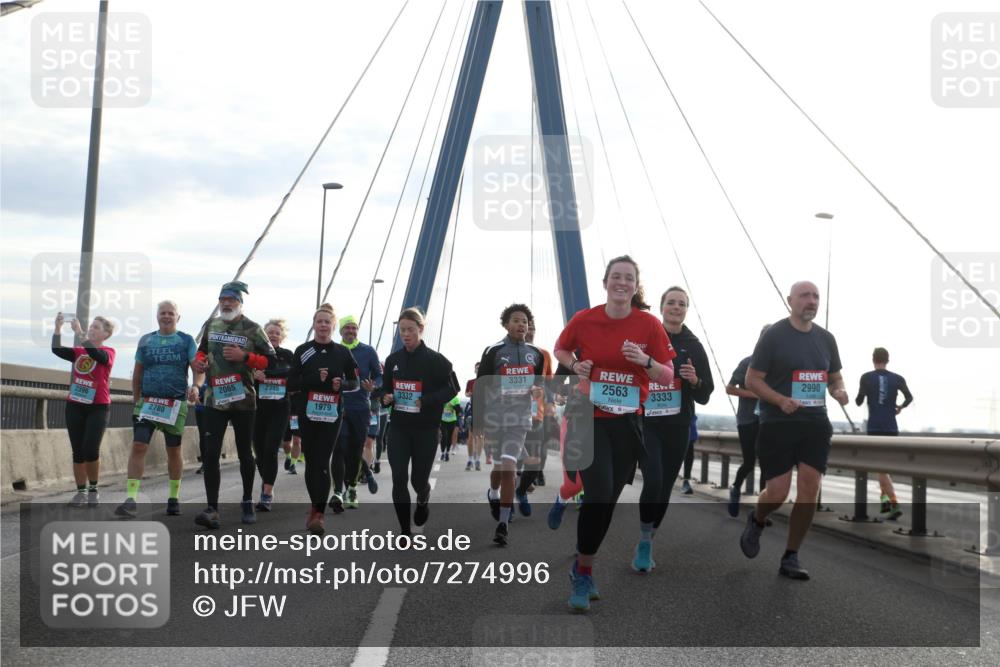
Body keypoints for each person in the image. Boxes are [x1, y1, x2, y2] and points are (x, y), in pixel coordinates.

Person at [554, 255, 675, 611]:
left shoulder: (649, 325)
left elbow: (667, 375)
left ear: (636, 286)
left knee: (608, 498)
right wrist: (575, 365)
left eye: (629, 278)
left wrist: (645, 361)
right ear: (605, 281)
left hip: (628, 423)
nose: (622, 283)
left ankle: (583, 561)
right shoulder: (585, 319)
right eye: (616, 277)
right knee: (598, 494)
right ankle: (584, 572)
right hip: (590, 417)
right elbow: (561, 348)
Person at [740, 281, 849, 580]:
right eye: (805, 296)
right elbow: (752, 379)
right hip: (778, 423)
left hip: (815, 423)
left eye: (815, 296)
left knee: (810, 488)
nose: (811, 301)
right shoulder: (775, 335)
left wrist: (839, 390)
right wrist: (779, 400)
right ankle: (758, 518)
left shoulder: (826, 339)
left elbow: (835, 377)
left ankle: (791, 555)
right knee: (777, 492)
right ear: (790, 301)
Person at [634, 286, 714, 572]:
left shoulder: (693, 346)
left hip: (678, 425)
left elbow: (706, 393)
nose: (676, 307)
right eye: (671, 302)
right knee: (653, 480)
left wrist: (694, 382)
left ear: (686, 309)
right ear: (661, 307)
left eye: (682, 304)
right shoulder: (646, 339)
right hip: (649, 423)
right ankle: (644, 540)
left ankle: (649, 538)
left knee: (666, 486)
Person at [191, 282, 276, 529]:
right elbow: (202, 351)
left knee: (244, 453)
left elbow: (270, 361)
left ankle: (248, 500)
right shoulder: (212, 325)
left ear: (240, 303)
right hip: (215, 399)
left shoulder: (253, 328)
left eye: (231, 300)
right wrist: (200, 364)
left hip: (243, 400)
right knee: (210, 453)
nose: (226, 303)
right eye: (222, 299)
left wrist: (245, 357)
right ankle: (212, 509)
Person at [115, 301, 200, 518]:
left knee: (173, 450)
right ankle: (131, 499)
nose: (166, 316)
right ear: (157, 316)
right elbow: (137, 372)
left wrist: (196, 386)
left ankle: (173, 497)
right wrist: (136, 400)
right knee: (139, 445)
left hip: (175, 403)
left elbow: (197, 368)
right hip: (148, 402)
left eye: (171, 313)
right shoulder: (146, 340)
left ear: (178, 318)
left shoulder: (186, 340)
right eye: (163, 313)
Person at [382, 307, 460, 535]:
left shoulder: (436, 360)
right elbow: (385, 389)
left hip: (426, 429)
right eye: (402, 330)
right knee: (398, 478)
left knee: (418, 481)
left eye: (410, 330)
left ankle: (423, 498)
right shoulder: (393, 359)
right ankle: (405, 531)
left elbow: (453, 388)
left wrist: (427, 400)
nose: (405, 334)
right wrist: (385, 397)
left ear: (421, 329)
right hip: (399, 428)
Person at [476, 304, 546, 545]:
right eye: (516, 320)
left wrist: (537, 390)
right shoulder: (493, 351)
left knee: (508, 466)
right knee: (498, 469)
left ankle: (503, 524)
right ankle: (493, 493)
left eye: (525, 321)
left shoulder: (536, 354)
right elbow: (481, 386)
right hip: (496, 419)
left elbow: (539, 383)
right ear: (506, 324)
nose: (521, 325)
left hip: (519, 420)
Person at [287, 304, 359, 534]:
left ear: (333, 326)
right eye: (319, 321)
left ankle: (319, 514)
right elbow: (291, 384)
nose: (323, 325)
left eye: (328, 322)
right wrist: (312, 378)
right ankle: (314, 506)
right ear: (314, 324)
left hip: (332, 414)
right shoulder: (303, 350)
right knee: (312, 462)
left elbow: (354, 383)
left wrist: (341, 384)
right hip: (308, 413)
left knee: (324, 460)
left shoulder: (343, 353)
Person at [52, 312, 116, 507]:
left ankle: (93, 489)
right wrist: (57, 328)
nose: (92, 329)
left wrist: (80, 332)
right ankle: (80, 492)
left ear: (105, 334)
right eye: (91, 326)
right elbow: (56, 350)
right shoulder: (79, 351)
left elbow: (95, 354)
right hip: (75, 404)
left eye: (96, 327)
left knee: (90, 448)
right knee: (78, 451)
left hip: (98, 406)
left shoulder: (109, 352)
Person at [855, 347, 913, 519]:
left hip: (874, 427)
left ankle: (893, 504)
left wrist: (862, 396)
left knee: (880, 469)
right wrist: (899, 407)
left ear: (873, 359)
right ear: (888, 360)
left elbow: (858, 401)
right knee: (883, 468)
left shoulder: (866, 378)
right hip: (891, 427)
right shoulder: (897, 378)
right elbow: (909, 397)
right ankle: (885, 502)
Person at [331, 315, 382, 511]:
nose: (350, 331)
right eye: (347, 328)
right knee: (339, 448)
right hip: (338, 406)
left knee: (354, 451)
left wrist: (374, 386)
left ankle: (351, 487)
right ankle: (337, 491)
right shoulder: (335, 350)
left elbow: (379, 376)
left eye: (354, 328)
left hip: (361, 408)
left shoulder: (368, 351)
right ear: (341, 331)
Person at [252, 318, 294, 512]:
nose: (273, 335)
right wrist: (253, 375)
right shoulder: (255, 355)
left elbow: (294, 378)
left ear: (282, 336)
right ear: (263, 335)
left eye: (277, 333)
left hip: (280, 407)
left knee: (270, 448)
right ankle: (267, 480)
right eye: (270, 332)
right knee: (259, 451)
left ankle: (267, 493)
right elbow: (243, 377)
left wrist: (269, 375)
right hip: (257, 408)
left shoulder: (287, 355)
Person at [518, 317, 554, 496]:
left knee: (537, 451)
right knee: (516, 452)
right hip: (513, 412)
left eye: (533, 328)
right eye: (527, 327)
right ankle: (516, 490)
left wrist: (551, 403)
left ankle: (531, 477)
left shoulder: (544, 354)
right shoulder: (508, 354)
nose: (529, 331)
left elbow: (549, 383)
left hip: (536, 412)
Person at [439, 394, 461, 462]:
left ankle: (447, 453)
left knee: (449, 437)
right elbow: (438, 407)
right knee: (444, 436)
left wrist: (453, 406)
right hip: (443, 420)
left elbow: (458, 410)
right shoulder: (443, 397)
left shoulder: (456, 399)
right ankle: (442, 453)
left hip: (452, 420)